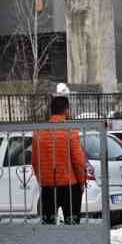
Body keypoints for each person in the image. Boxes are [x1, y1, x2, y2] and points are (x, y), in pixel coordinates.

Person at [32, 94, 88, 224]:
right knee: (72, 223)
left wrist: (42, 180)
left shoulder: (39, 132)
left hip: (48, 186)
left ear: (51, 110)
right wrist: (81, 182)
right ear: (66, 110)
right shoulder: (70, 130)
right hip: (70, 185)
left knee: (48, 223)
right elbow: (78, 161)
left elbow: (34, 161)